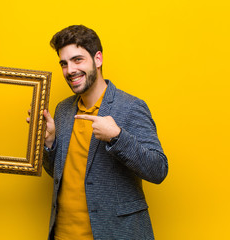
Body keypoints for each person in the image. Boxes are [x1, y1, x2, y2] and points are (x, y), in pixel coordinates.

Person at [29, 25, 168, 240]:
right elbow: (59, 176)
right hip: (63, 234)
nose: (70, 70)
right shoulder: (63, 110)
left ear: (98, 59)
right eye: (64, 64)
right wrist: (50, 144)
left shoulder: (131, 107)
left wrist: (117, 137)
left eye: (78, 60)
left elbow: (158, 169)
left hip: (116, 234)